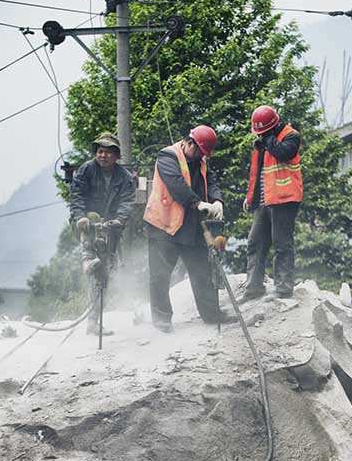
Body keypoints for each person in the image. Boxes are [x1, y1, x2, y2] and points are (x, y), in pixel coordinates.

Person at [144, 125, 235, 333]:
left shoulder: (200, 159)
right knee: (160, 274)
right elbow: (177, 186)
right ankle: (162, 319)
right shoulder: (167, 156)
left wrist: (217, 200)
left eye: (204, 154)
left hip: (190, 227)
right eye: (200, 152)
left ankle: (211, 313)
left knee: (201, 270)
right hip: (163, 227)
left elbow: (211, 180)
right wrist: (199, 204)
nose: (201, 157)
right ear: (189, 143)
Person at [69, 132, 135, 335]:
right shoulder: (86, 170)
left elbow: (127, 201)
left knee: (104, 273)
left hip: (111, 227)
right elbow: (76, 194)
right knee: (92, 222)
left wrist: (120, 220)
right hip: (87, 224)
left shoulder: (124, 176)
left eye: (107, 152)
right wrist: (80, 216)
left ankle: (93, 321)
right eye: (100, 151)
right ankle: (87, 257)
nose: (103, 155)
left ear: (116, 156)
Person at [241, 105, 303, 301]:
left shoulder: (290, 136)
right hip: (264, 201)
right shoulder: (264, 143)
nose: (260, 136)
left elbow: (284, 153)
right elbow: (258, 172)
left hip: (285, 200)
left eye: (263, 132)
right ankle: (253, 288)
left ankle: (283, 289)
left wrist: (267, 138)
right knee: (255, 242)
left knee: (282, 244)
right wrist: (251, 196)